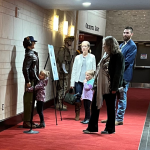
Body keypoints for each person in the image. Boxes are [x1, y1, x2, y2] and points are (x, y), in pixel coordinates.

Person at [83, 36, 125, 134]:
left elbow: (118, 73)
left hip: (110, 86)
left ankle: (110, 129)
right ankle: (92, 127)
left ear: (110, 45)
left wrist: (114, 88)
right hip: (100, 85)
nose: (103, 46)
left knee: (110, 108)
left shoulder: (118, 55)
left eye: (105, 44)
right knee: (95, 106)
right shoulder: (106, 54)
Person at [101, 26, 137, 125]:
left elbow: (127, 62)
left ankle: (119, 118)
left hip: (124, 76)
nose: (125, 34)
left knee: (121, 97)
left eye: (127, 33)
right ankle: (111, 118)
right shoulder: (121, 45)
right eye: (124, 32)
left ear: (131, 34)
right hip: (115, 75)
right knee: (112, 97)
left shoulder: (132, 46)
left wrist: (114, 67)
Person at [70, 41, 96, 121]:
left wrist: (93, 81)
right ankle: (77, 113)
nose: (83, 48)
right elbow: (74, 70)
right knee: (78, 97)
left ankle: (87, 115)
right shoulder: (77, 57)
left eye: (85, 46)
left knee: (87, 99)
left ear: (88, 47)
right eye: (82, 46)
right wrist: (72, 82)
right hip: (78, 80)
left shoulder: (92, 57)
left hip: (88, 81)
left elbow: (94, 70)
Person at [22, 36, 39, 128]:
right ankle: (27, 121)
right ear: (29, 44)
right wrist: (27, 81)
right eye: (33, 42)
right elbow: (25, 69)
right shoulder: (29, 54)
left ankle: (30, 120)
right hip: (31, 80)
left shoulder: (32, 53)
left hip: (33, 79)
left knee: (32, 101)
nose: (34, 44)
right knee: (29, 101)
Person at [56, 36, 75, 111]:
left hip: (66, 72)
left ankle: (61, 102)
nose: (71, 42)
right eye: (70, 41)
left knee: (64, 87)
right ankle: (59, 103)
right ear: (67, 41)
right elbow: (61, 61)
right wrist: (62, 70)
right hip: (62, 72)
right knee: (61, 87)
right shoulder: (62, 49)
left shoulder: (67, 50)